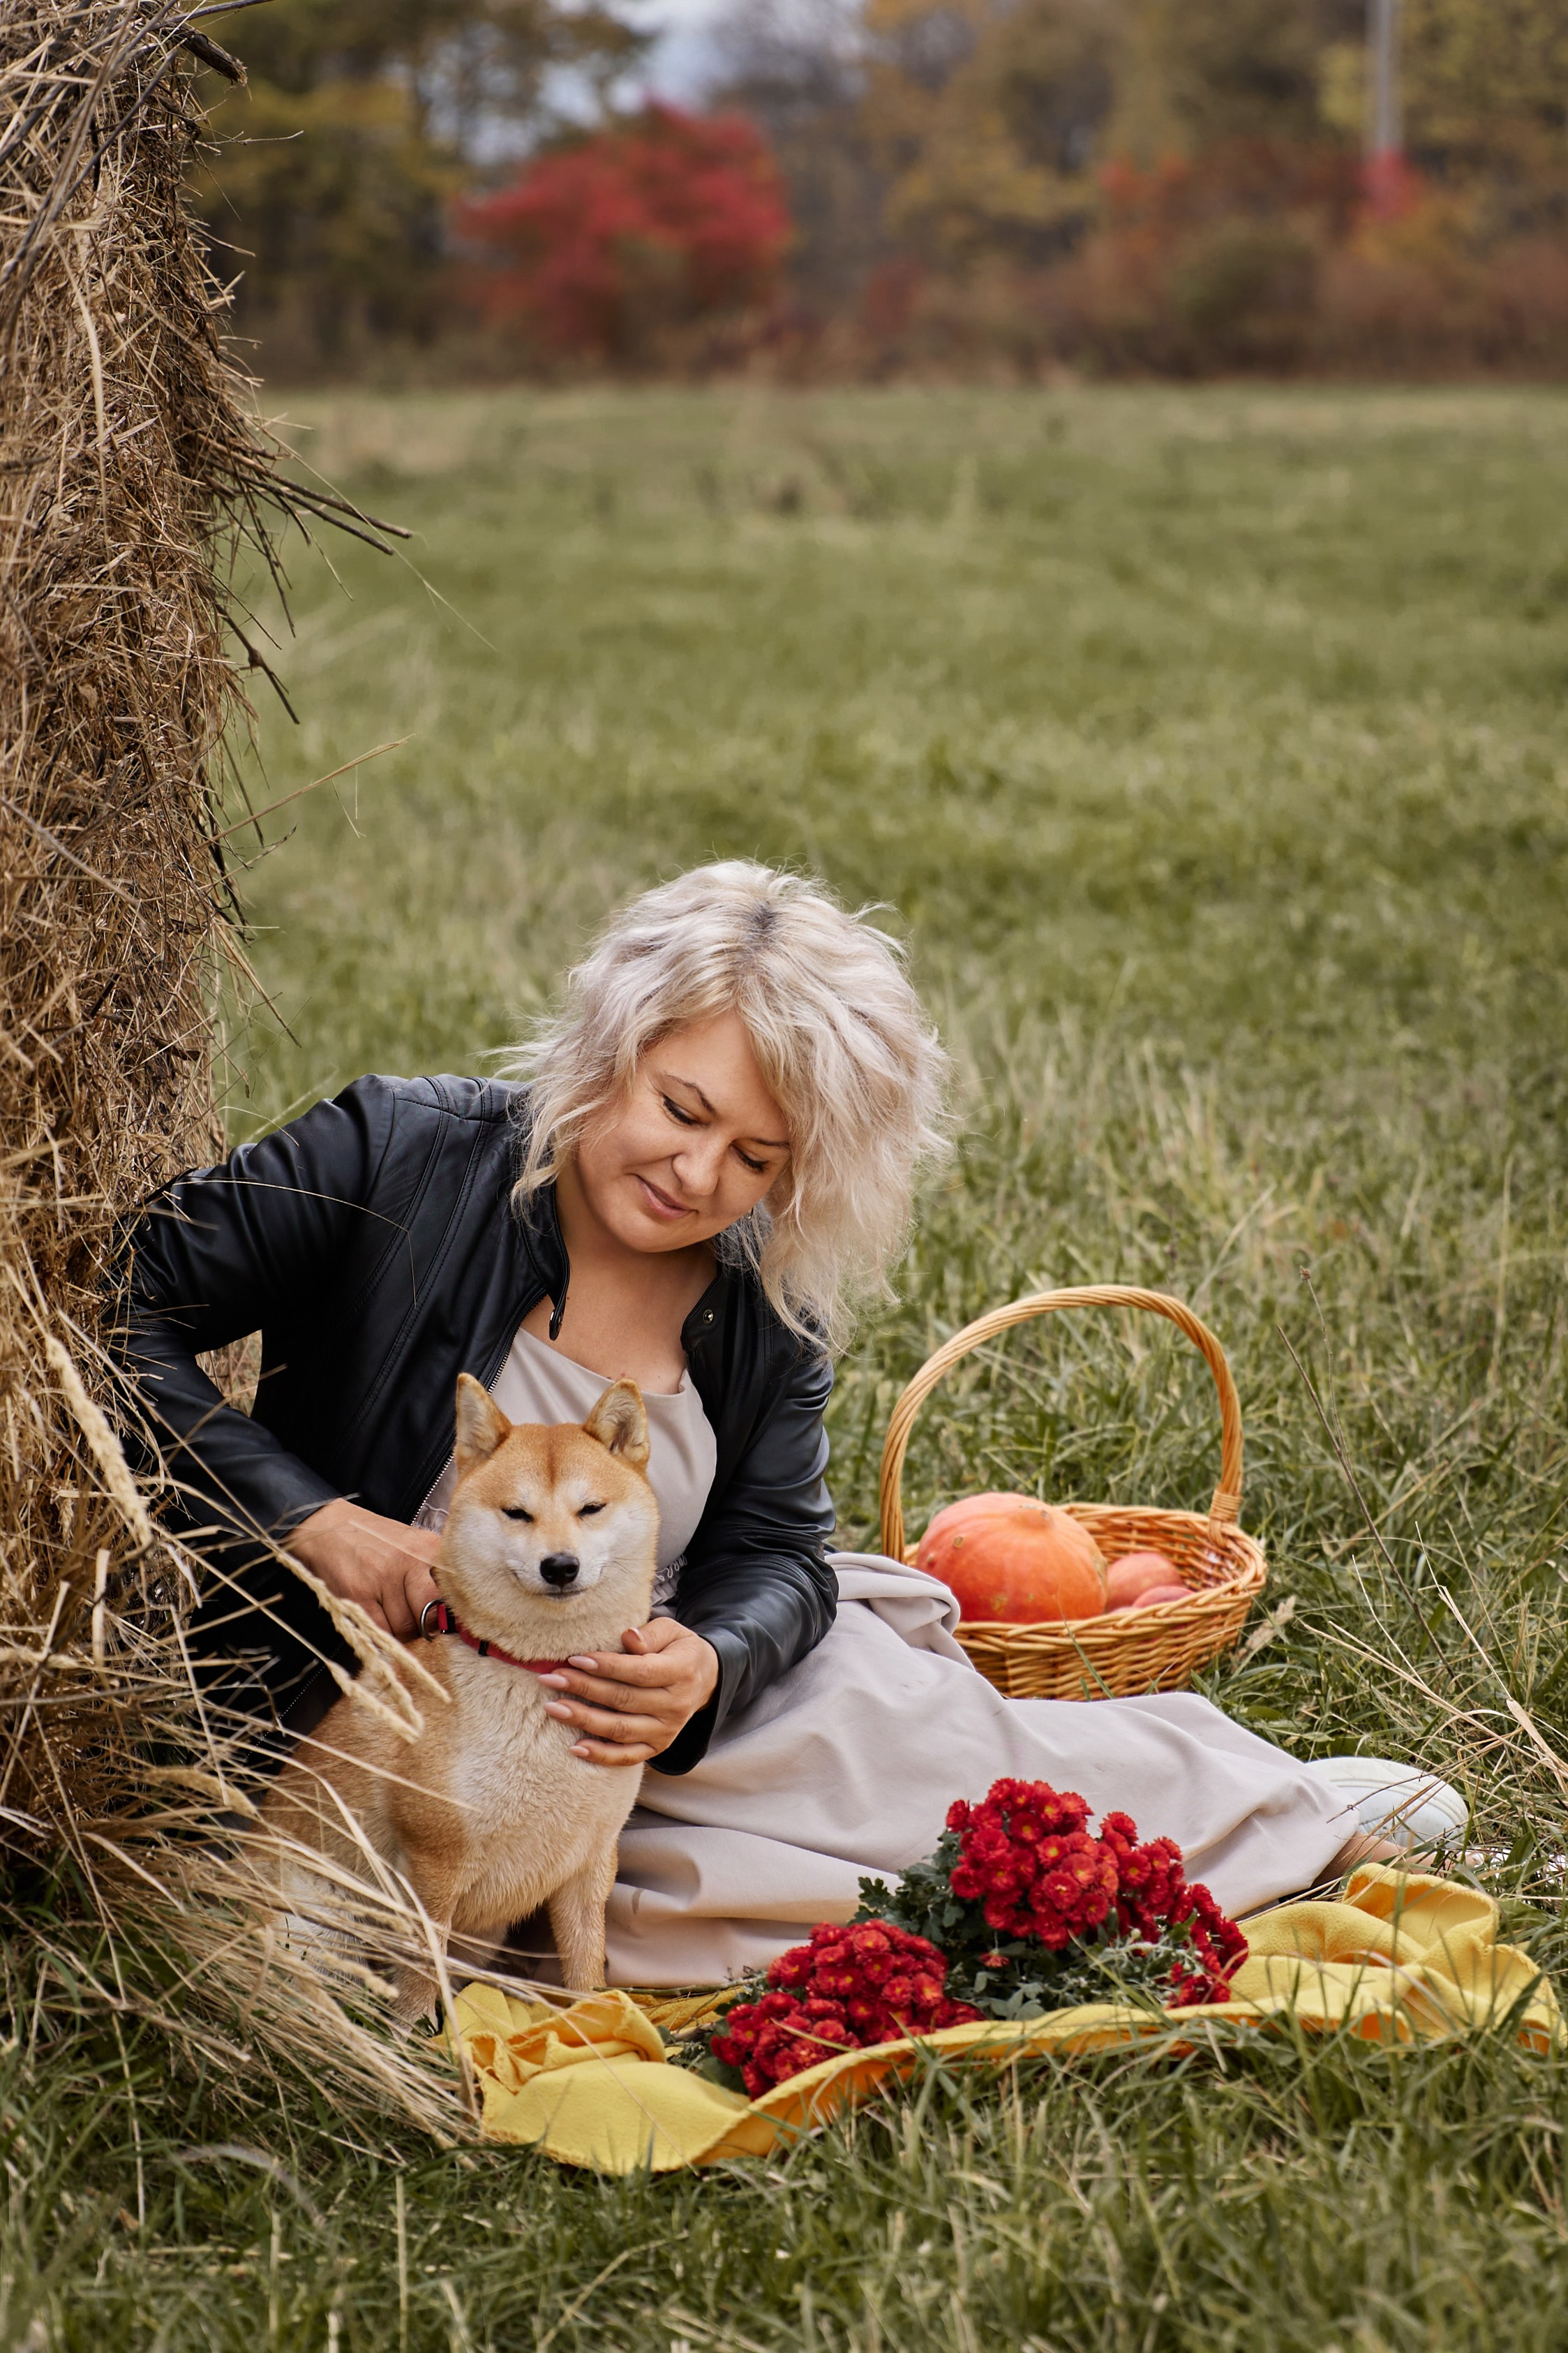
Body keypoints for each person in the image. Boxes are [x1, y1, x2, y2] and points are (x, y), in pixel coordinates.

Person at [112, 862, 1427, 1987]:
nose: (699, 1178)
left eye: (759, 1160)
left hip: (649, 1711)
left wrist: (709, 1666)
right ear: (609, 1046)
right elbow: (107, 1308)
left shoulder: (758, 1301)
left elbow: (781, 1547)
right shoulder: (394, 1154)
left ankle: (1282, 1813)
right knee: (775, 1893)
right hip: (432, 1715)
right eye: (682, 1111)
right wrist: (313, 1519)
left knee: (910, 1740)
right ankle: (1248, 1836)